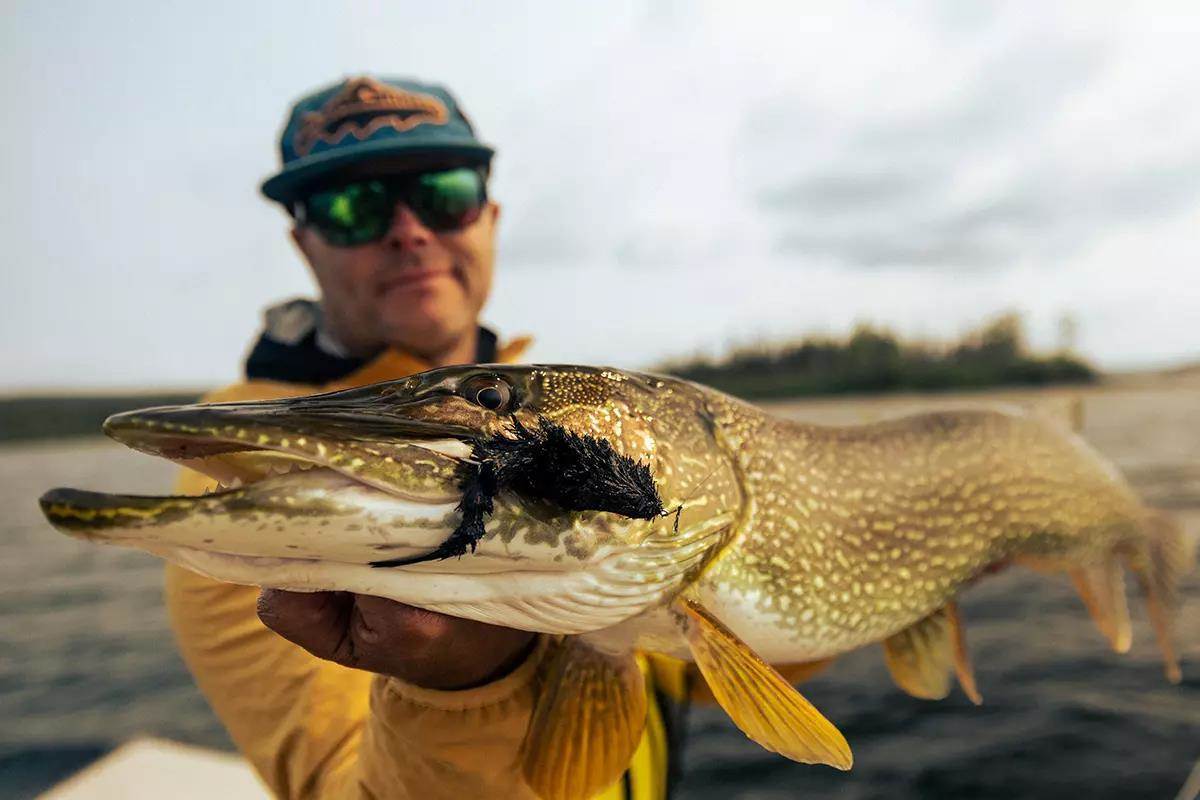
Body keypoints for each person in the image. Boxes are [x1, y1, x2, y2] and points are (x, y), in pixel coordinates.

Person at [165, 75, 687, 800]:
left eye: (443, 193)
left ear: (490, 218)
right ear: (304, 244)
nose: (408, 230)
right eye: (353, 207)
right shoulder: (242, 464)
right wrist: (465, 683)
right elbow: (341, 784)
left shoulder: (588, 416)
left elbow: (696, 659)